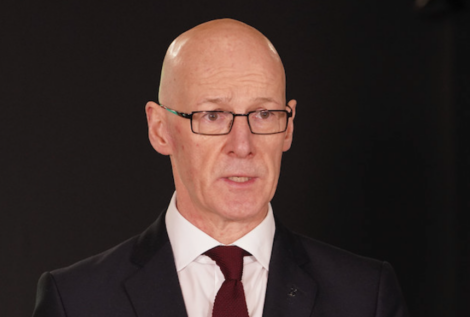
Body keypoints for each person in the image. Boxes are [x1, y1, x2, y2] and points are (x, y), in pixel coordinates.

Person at [32, 19, 409, 317]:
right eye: (212, 115)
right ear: (160, 129)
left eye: (263, 114)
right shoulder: (77, 301)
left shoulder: (365, 296)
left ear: (289, 126)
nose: (242, 146)